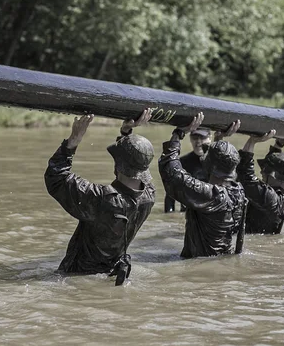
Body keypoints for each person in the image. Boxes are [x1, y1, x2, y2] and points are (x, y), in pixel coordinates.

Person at [44, 109, 156, 285]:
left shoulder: (101, 200)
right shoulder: (149, 195)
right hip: (108, 274)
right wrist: (126, 133)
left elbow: (56, 178)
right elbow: (137, 163)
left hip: (77, 278)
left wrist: (74, 140)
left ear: (118, 165)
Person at [159, 114, 246, 259]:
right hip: (222, 258)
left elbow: (171, 172)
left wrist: (178, 134)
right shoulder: (239, 191)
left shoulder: (209, 195)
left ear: (210, 165)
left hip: (198, 261)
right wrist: (220, 138)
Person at [237, 130, 284, 234]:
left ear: (272, 175)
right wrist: (279, 144)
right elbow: (273, 165)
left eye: (265, 171)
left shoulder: (269, 199)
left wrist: (252, 141)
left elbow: (245, 175)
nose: (262, 172)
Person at [164, 127, 211, 213]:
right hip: (188, 213)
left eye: (202, 137)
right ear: (190, 138)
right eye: (195, 138)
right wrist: (169, 216)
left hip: (210, 212)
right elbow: (170, 195)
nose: (198, 141)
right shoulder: (182, 162)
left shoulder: (216, 162)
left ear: (209, 138)